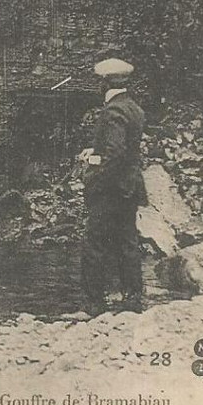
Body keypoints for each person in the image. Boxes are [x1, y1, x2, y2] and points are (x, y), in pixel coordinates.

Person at [79, 48, 148, 316]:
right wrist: (96, 153)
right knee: (127, 241)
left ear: (104, 83)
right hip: (130, 186)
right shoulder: (134, 108)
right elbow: (124, 150)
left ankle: (92, 305)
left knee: (94, 243)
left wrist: (92, 171)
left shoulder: (112, 111)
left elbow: (115, 154)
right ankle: (132, 300)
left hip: (111, 188)